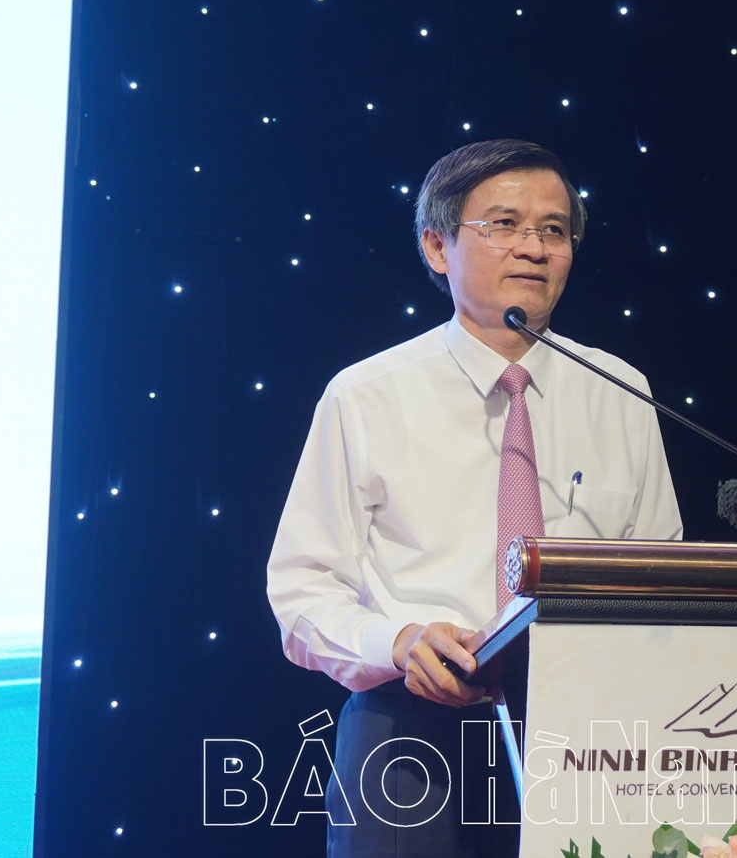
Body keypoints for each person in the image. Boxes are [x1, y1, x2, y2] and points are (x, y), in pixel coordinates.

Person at [266, 138, 683, 857]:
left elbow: (659, 573)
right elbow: (302, 592)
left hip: (590, 735)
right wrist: (398, 642)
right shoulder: (366, 395)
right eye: (504, 224)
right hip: (408, 733)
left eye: (554, 229)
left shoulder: (621, 391)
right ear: (437, 246)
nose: (534, 247)